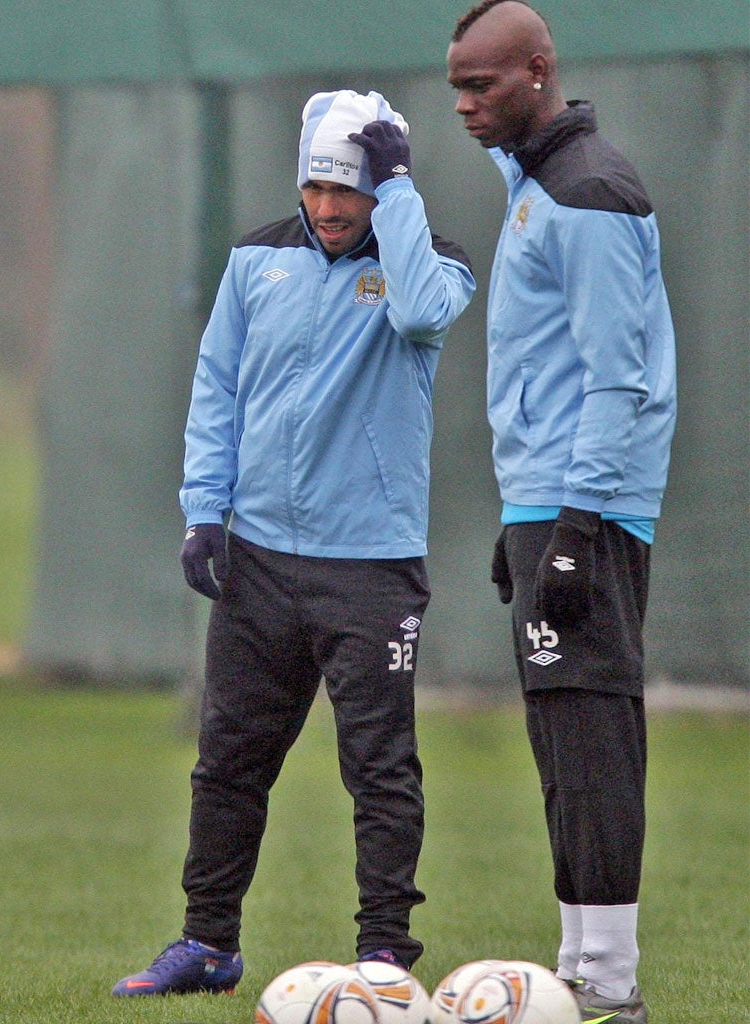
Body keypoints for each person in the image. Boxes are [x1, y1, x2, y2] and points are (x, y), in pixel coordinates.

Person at [111, 89, 475, 997]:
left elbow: (423, 316)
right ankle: (208, 944)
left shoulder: (429, 261)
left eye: (349, 189)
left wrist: (400, 196)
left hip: (372, 567)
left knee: (380, 769)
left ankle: (385, 956)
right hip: (263, 559)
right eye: (317, 185)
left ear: (382, 187)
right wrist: (205, 510)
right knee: (228, 760)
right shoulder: (254, 259)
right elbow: (217, 386)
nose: (328, 207)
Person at [447, 4, 676, 1023]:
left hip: (591, 508)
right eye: (457, 84)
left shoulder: (589, 193)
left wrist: (577, 527)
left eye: (482, 84)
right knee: (558, 736)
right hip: (548, 500)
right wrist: (526, 516)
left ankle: (610, 983)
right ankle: (579, 965)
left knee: (592, 734)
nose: (464, 104)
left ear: (539, 71)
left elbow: (616, 379)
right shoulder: (539, 181)